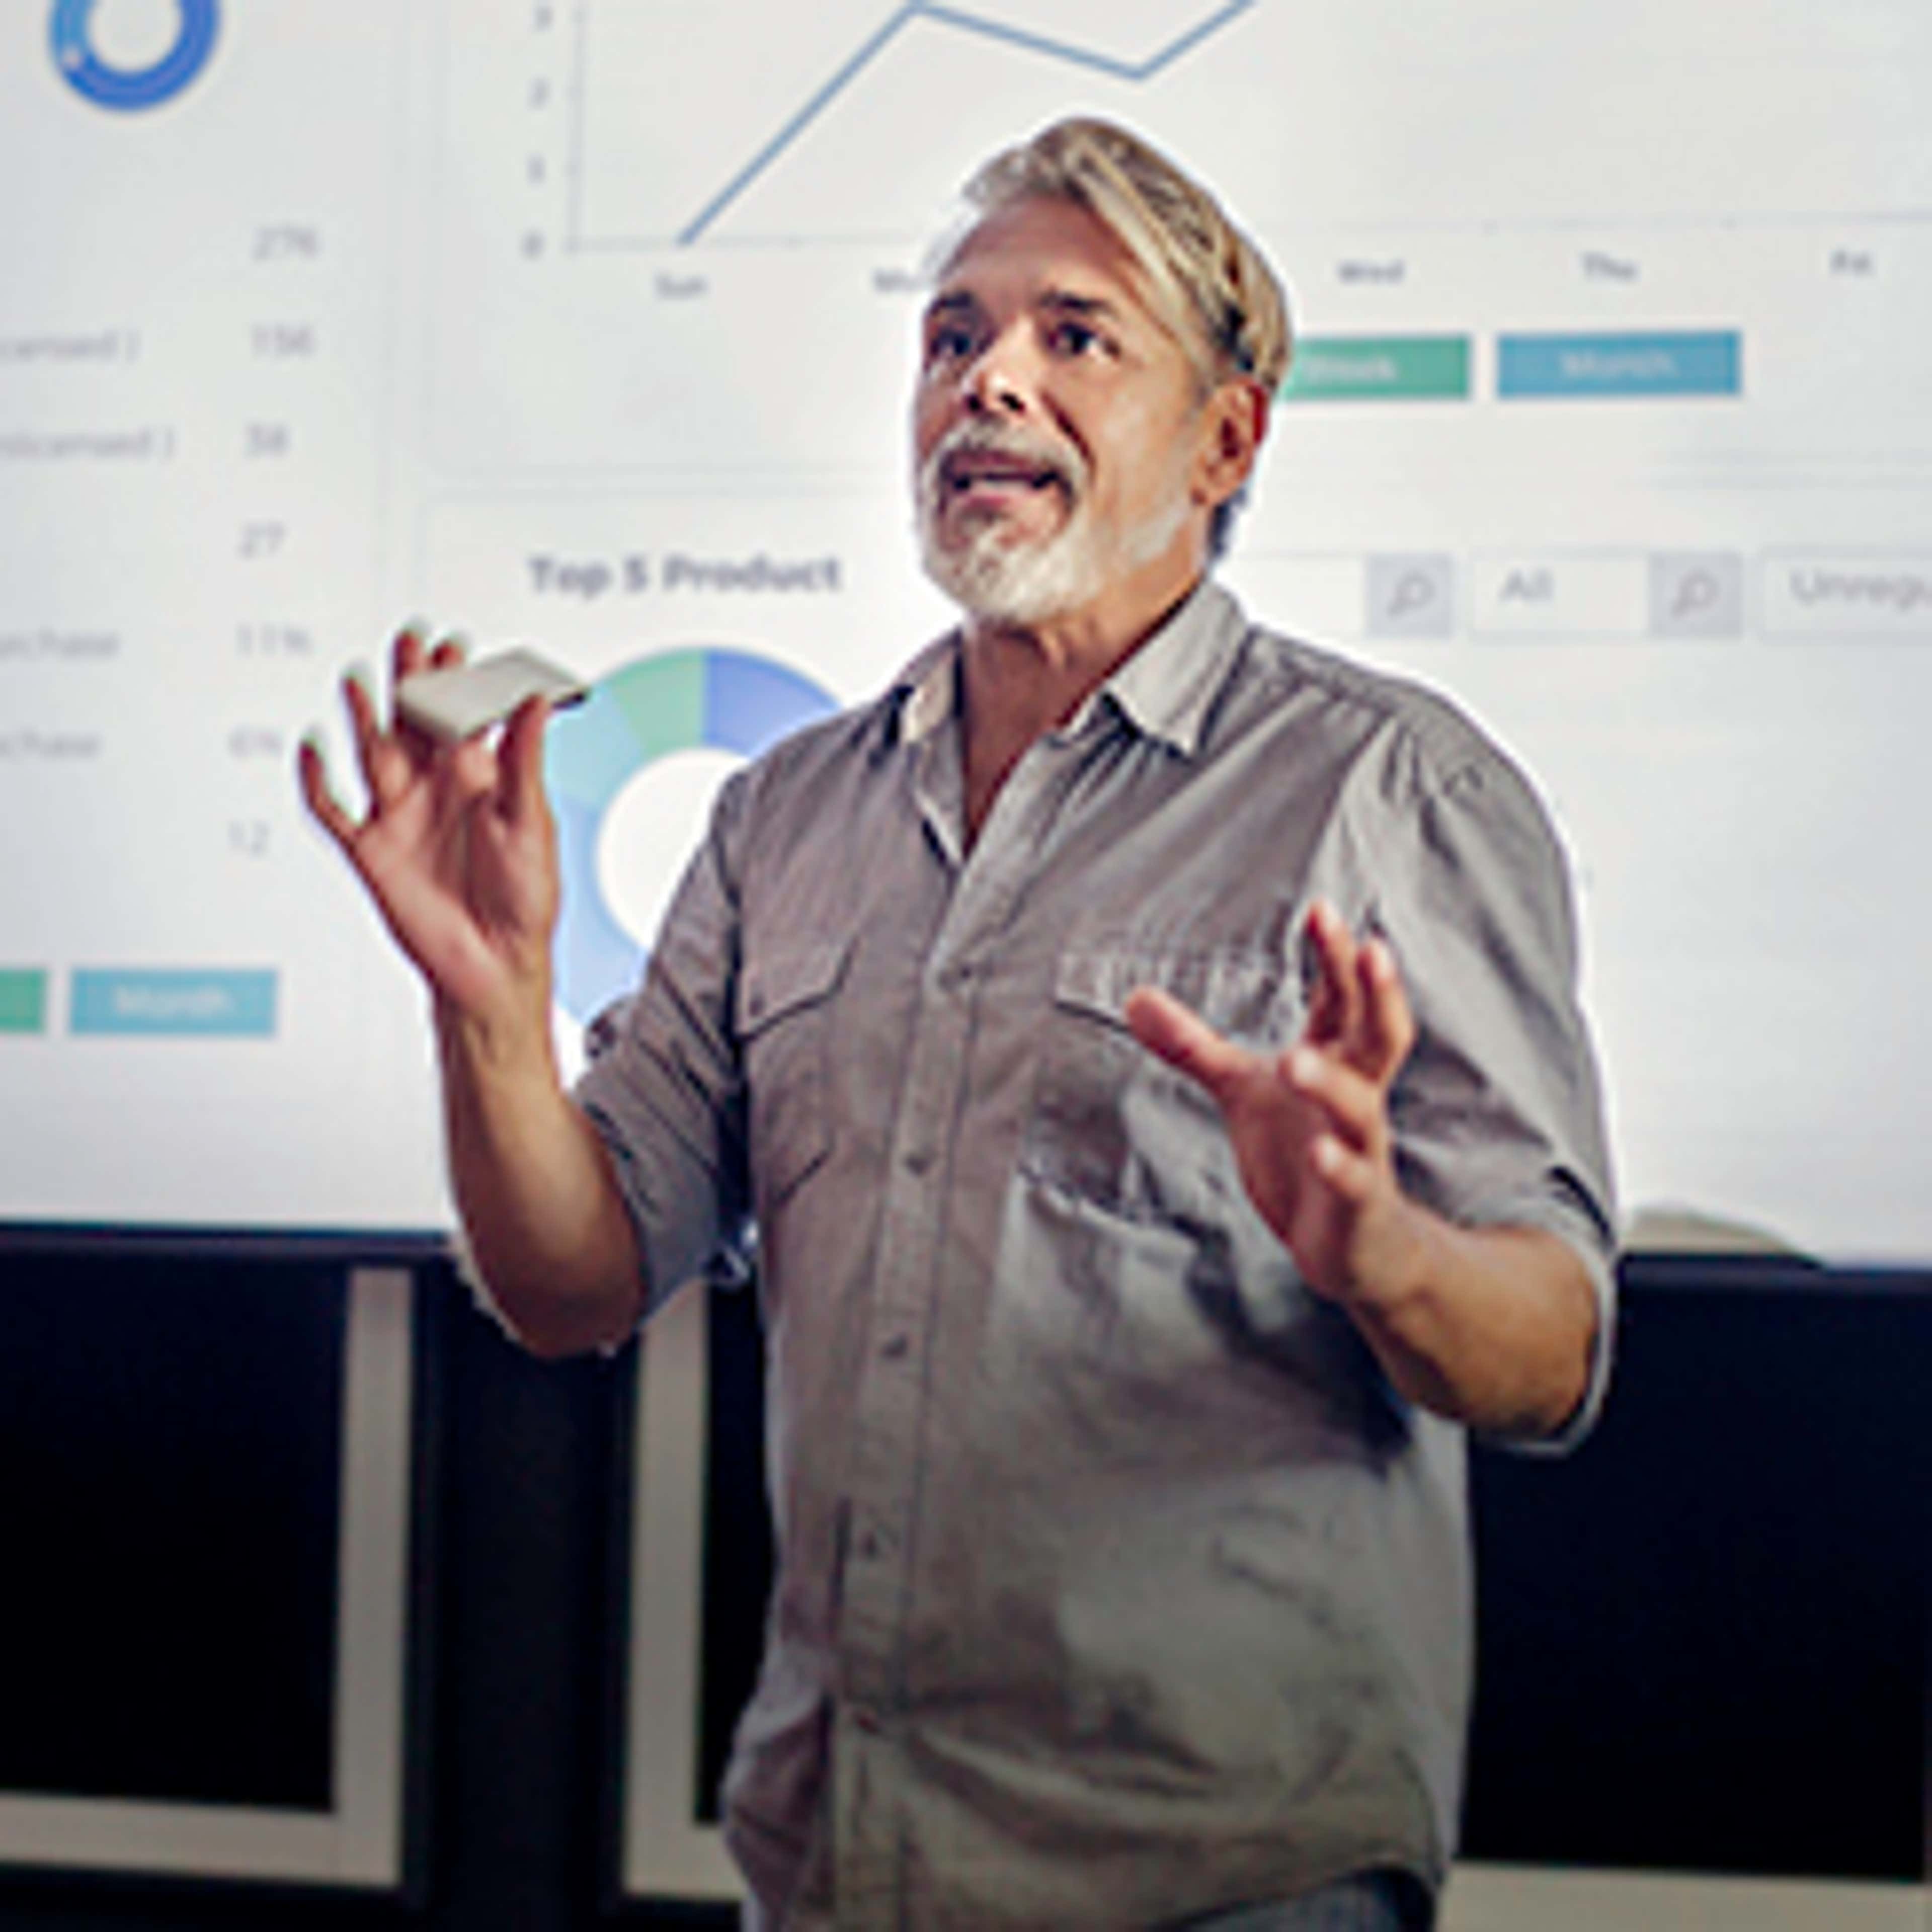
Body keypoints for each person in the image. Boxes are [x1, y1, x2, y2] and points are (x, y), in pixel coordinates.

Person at [301, 118, 1615, 1931]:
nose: (989, 377)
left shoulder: (1390, 793)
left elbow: (1550, 1352)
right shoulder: (785, 820)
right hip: (840, 1865)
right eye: (952, 338)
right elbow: (571, 1282)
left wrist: (1379, 1244)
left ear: (1228, 436)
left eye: (1077, 335)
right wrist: (494, 1012)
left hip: (1227, 1883)